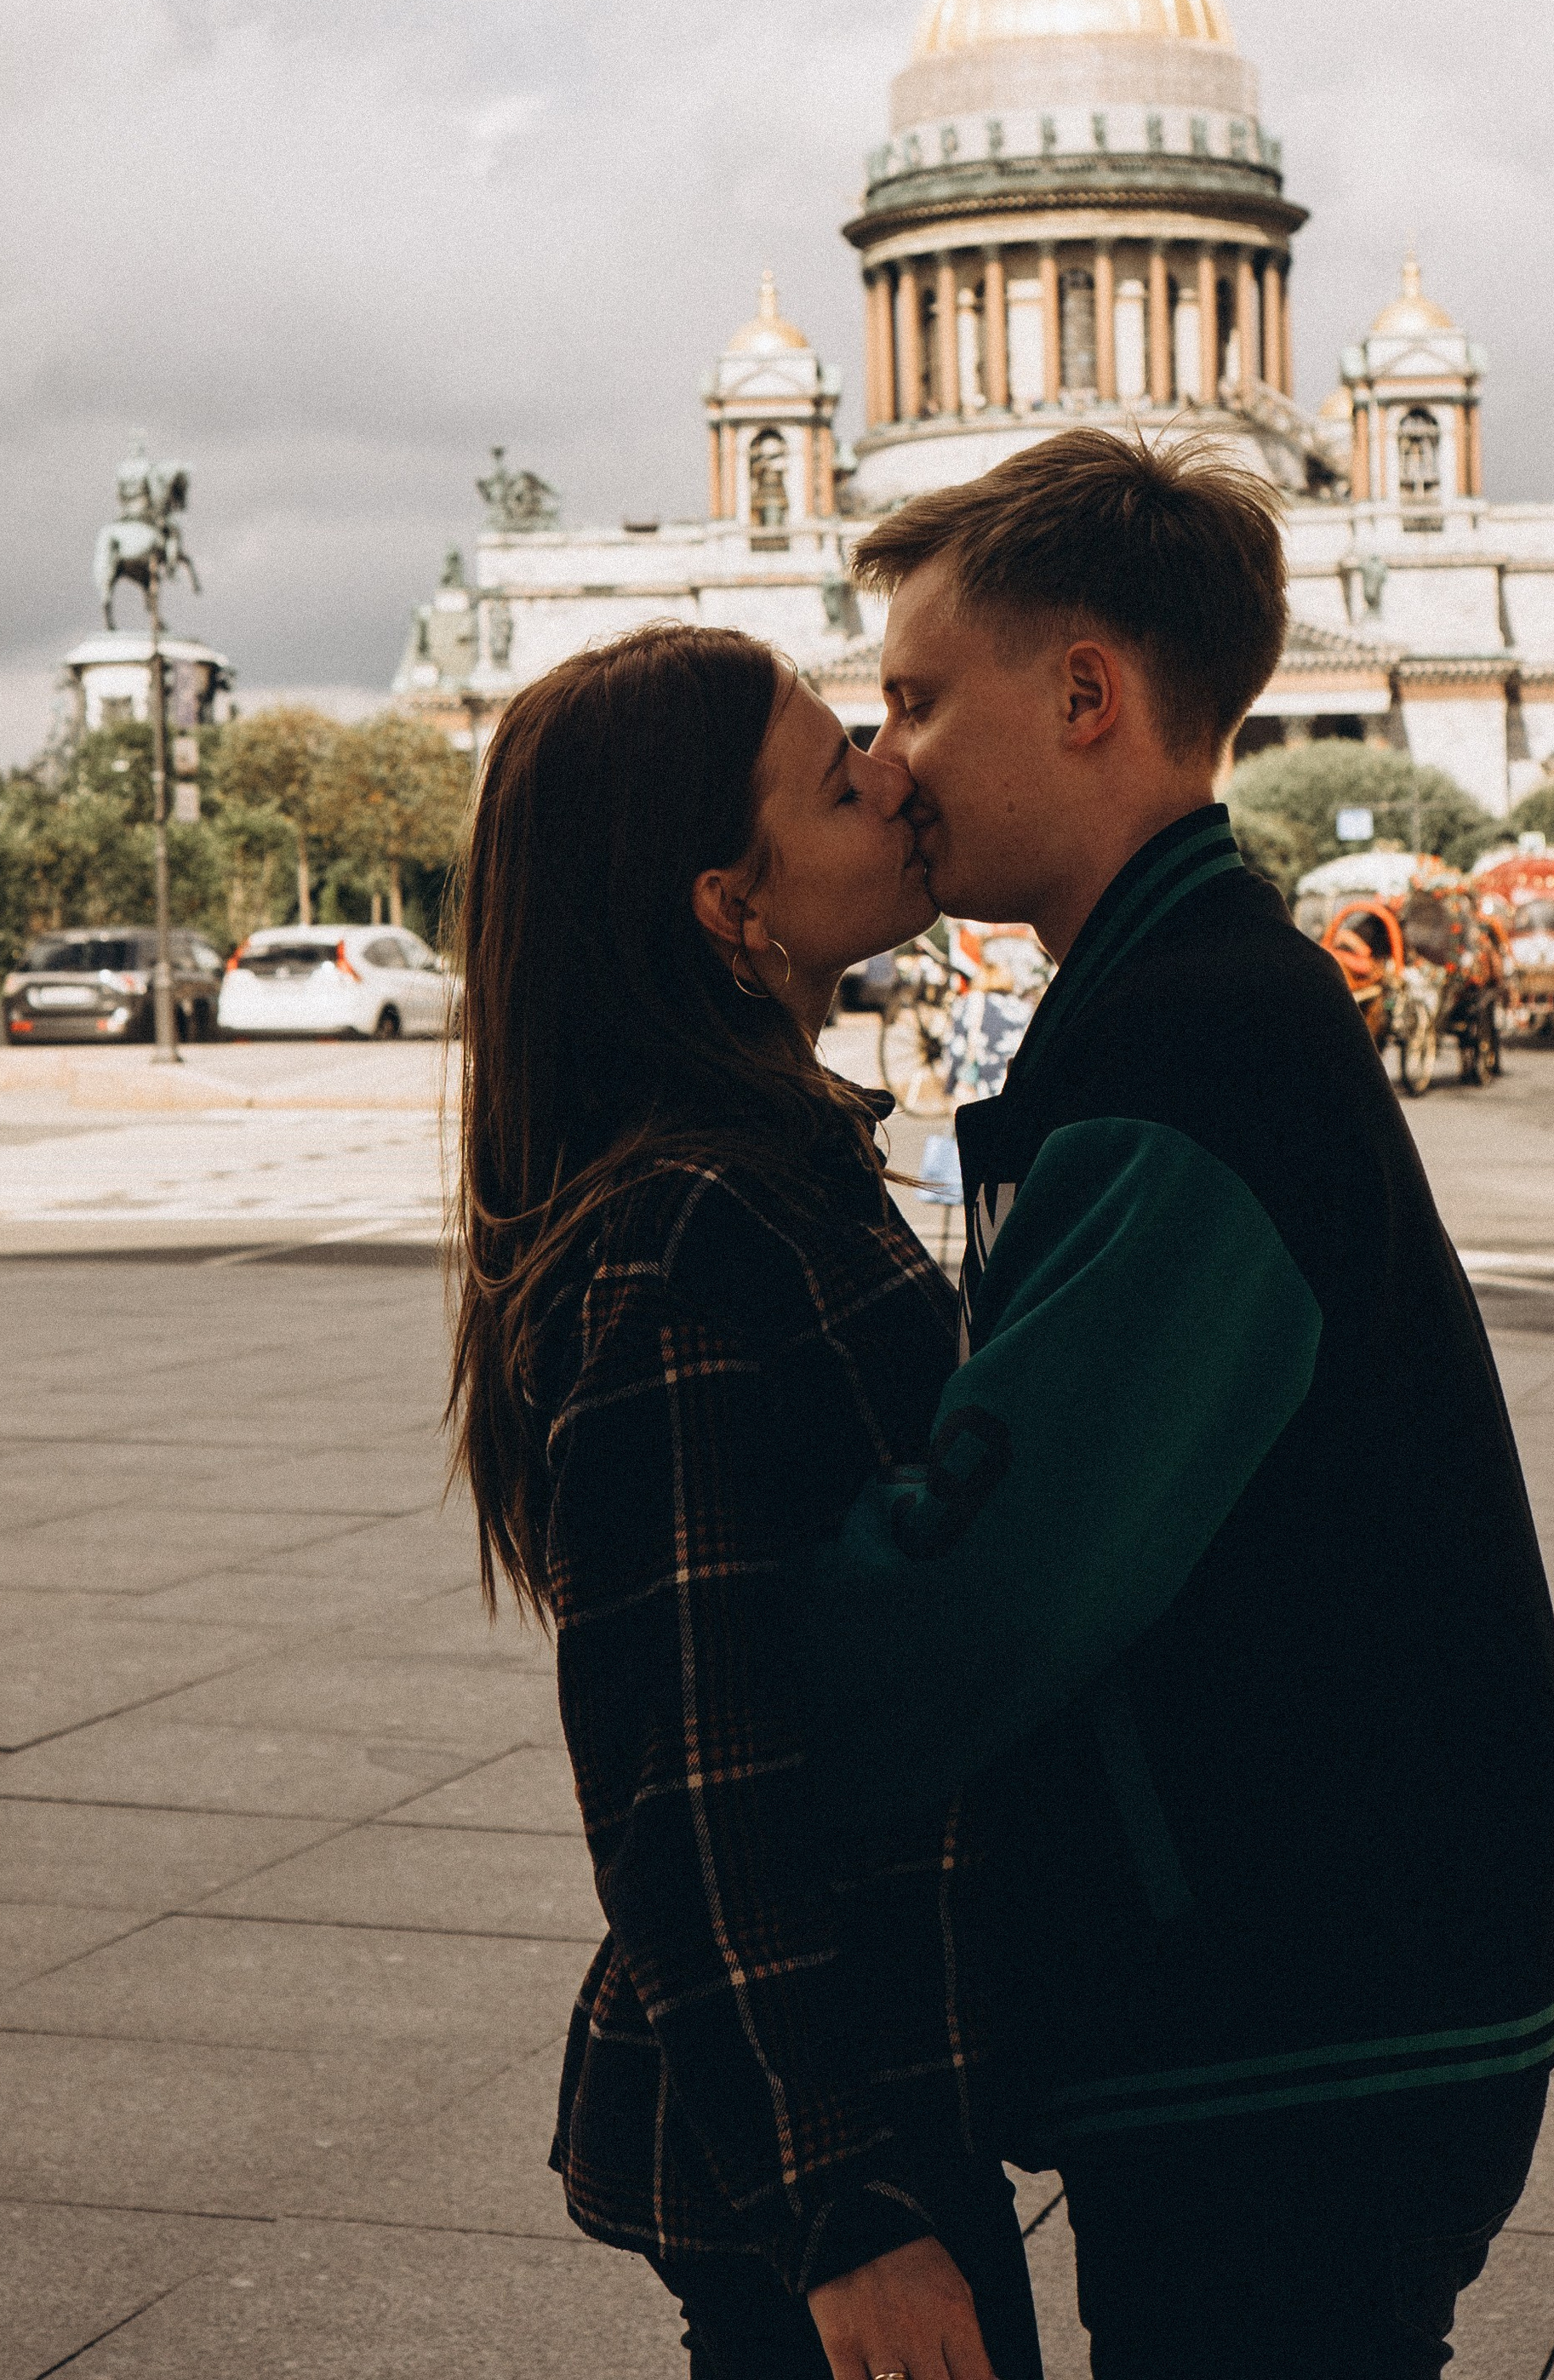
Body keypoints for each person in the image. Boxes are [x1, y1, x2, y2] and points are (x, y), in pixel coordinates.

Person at [798, 428, 1554, 2380]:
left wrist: (734, 1633)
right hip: (1329, 1976)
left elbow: (987, 1591)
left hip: (1293, 2014)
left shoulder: (1183, 1046)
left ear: (1082, 696)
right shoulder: (1186, 1000)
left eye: (910, 699)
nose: (880, 759)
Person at [446, 626, 1043, 2380]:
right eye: (837, 770)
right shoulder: (686, 1230)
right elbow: (678, 1769)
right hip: (827, 2123)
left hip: (871, 2073)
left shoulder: (752, 1165)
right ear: (731, 909)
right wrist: (835, 2206)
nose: (895, 775)